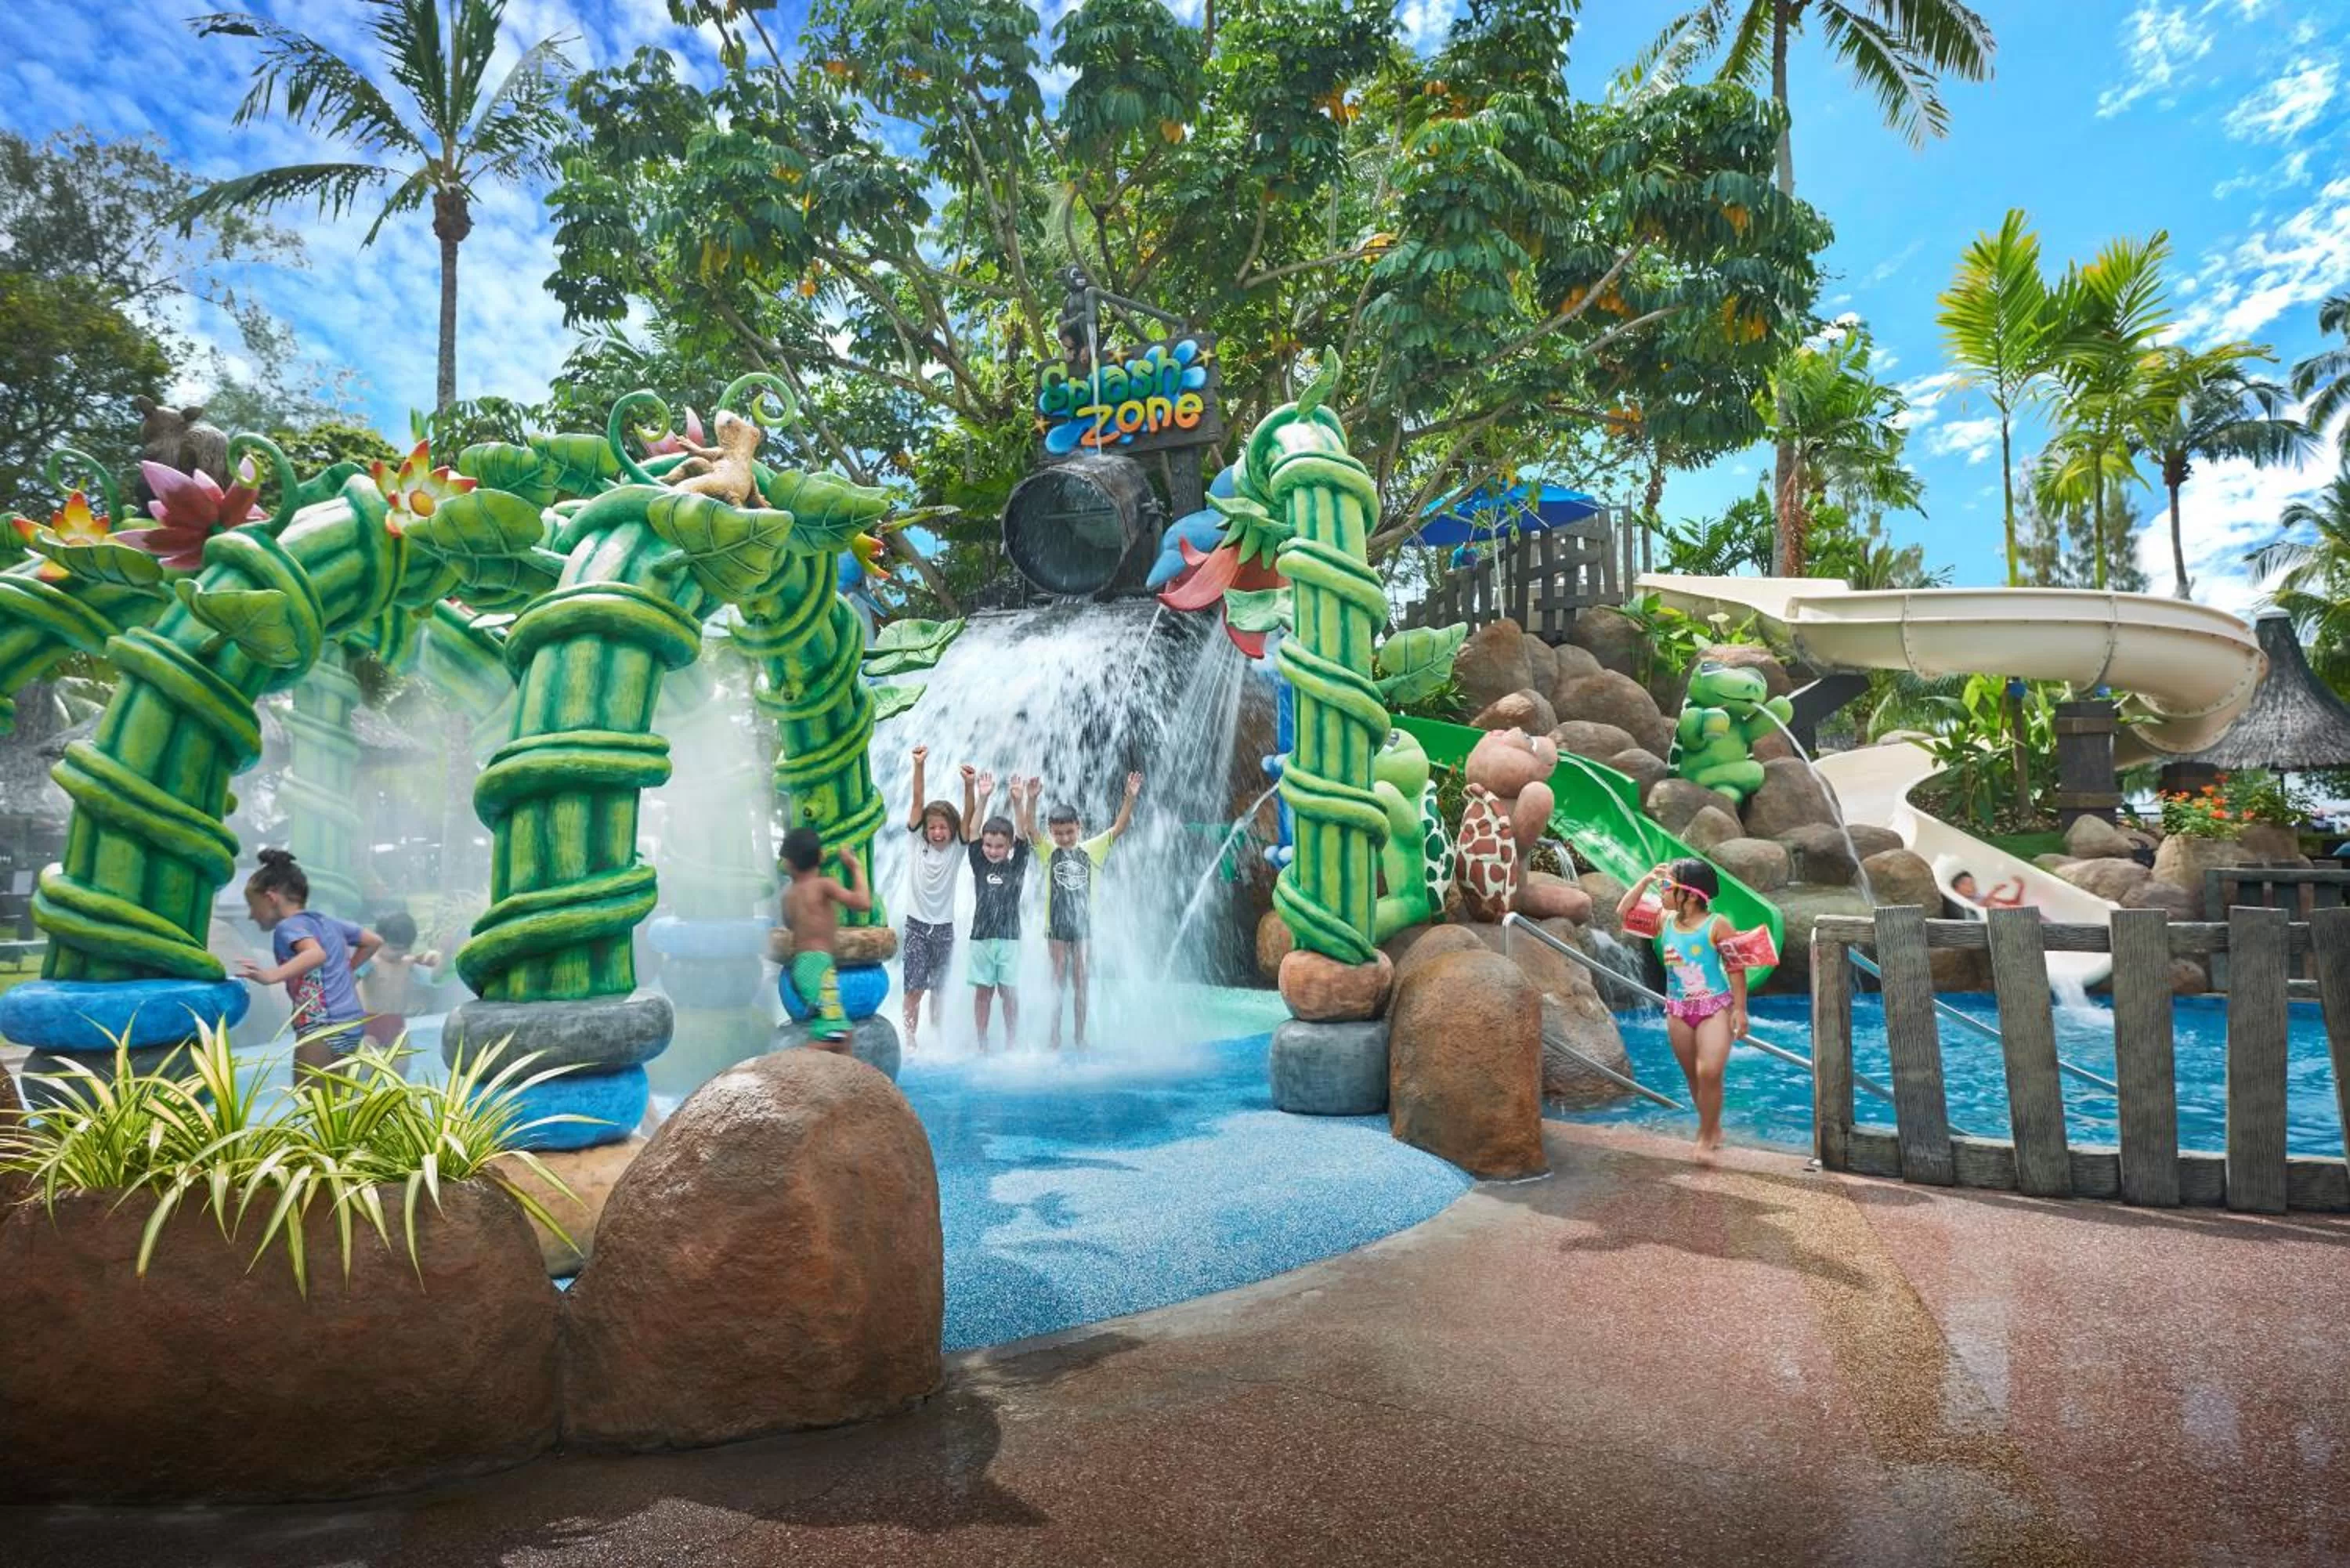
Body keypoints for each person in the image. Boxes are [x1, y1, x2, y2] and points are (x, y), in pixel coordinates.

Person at [1617, 859, 1752, 1160]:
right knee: (1693, 1076)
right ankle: (1712, 1127)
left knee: (1709, 1071)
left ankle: (1705, 1137)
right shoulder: (1664, 920)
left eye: (1666, 886)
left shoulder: (1717, 925)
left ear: (1690, 895)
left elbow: (1735, 967)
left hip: (1714, 1006)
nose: (1661, 891)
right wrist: (1644, 880)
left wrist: (1740, 1010)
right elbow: (1624, 912)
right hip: (1678, 1009)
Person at [235, 848, 381, 1075]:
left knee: (310, 1102)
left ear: (270, 898)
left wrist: (269, 976)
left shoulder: (288, 927)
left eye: (253, 905)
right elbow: (373, 941)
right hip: (350, 1024)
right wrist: (348, 970)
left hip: (319, 1026)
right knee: (339, 1104)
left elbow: (315, 954)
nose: (251, 916)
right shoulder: (328, 922)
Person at [1043, 771, 1144, 1050]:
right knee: (1056, 982)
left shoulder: (1092, 850)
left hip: (1083, 928)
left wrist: (1129, 798)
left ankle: (1079, 1036)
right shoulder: (1048, 852)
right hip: (1056, 929)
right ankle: (1053, 1036)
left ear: (1079, 827)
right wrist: (1027, 800)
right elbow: (1028, 830)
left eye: (1069, 832)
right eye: (1059, 833)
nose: (1064, 838)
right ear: (1051, 832)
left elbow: (1119, 828)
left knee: (1081, 982)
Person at [961, 766, 1038, 1050]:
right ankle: (981, 1041)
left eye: (998, 846)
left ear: (1008, 848)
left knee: (1009, 992)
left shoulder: (1015, 866)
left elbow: (1023, 837)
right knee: (983, 993)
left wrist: (1018, 802)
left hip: (1008, 939)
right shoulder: (979, 863)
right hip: (980, 938)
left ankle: (1011, 1041)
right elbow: (971, 831)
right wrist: (983, 798)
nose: (992, 850)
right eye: (989, 845)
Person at [779, 827, 871, 1051]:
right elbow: (863, 902)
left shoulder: (788, 895)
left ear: (789, 864)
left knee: (841, 1033)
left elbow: (791, 924)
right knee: (835, 1032)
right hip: (818, 966)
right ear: (821, 857)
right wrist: (855, 866)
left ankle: (839, 1081)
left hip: (803, 966)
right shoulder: (824, 886)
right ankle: (796, 1069)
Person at [899, 746, 964, 1047]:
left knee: (939, 989)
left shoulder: (956, 850)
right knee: (914, 988)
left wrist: (970, 787)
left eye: (943, 827)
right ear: (925, 830)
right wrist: (919, 766)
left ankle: (936, 1036)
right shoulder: (916, 843)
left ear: (952, 830)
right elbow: (917, 801)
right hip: (916, 926)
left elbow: (969, 821)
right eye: (933, 827)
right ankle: (910, 1038)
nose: (938, 832)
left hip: (944, 930)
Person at [356, 909, 442, 1050]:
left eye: (406, 949)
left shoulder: (407, 964)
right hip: (369, 1024)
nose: (401, 954)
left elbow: (434, 978)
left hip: (397, 1024)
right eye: (395, 949)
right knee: (369, 1070)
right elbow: (348, 982)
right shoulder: (370, 963)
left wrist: (445, 955)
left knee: (400, 1069)